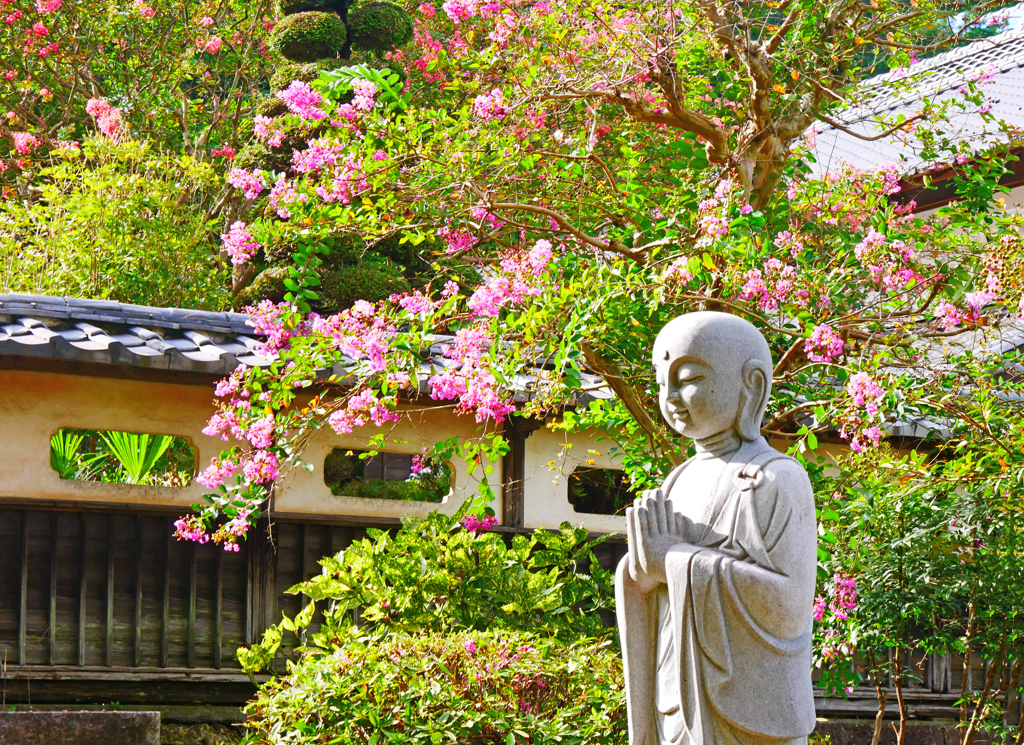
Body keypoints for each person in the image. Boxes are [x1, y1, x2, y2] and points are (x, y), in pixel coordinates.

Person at [616, 312, 817, 745]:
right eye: (659, 380)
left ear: (753, 385)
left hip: (751, 709)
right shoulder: (677, 480)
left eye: (688, 377)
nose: (669, 395)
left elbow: (790, 606)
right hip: (677, 696)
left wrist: (674, 559)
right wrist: (639, 572)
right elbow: (651, 583)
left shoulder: (776, 479)